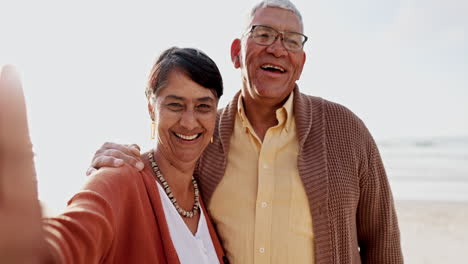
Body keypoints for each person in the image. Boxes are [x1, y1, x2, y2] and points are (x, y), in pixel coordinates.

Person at [88, 0, 404, 263]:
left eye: (291, 40)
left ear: (301, 62)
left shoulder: (347, 132)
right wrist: (114, 163)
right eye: (263, 34)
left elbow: (383, 243)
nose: (278, 49)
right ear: (236, 52)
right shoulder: (203, 136)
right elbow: (163, 169)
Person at [0, 47, 228, 263]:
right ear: (151, 108)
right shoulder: (120, 177)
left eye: (203, 107)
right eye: (175, 105)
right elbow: (74, 235)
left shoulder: (207, 197)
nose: (189, 122)